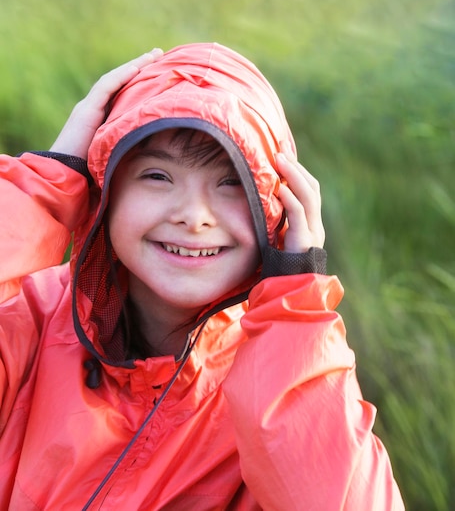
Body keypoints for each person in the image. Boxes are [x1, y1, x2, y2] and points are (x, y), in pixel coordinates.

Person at [0, 42, 405, 510]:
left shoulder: (281, 375)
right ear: (105, 189)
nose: (194, 217)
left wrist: (297, 305)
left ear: (276, 207)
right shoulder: (29, 319)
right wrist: (45, 184)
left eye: (231, 182)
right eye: (157, 176)